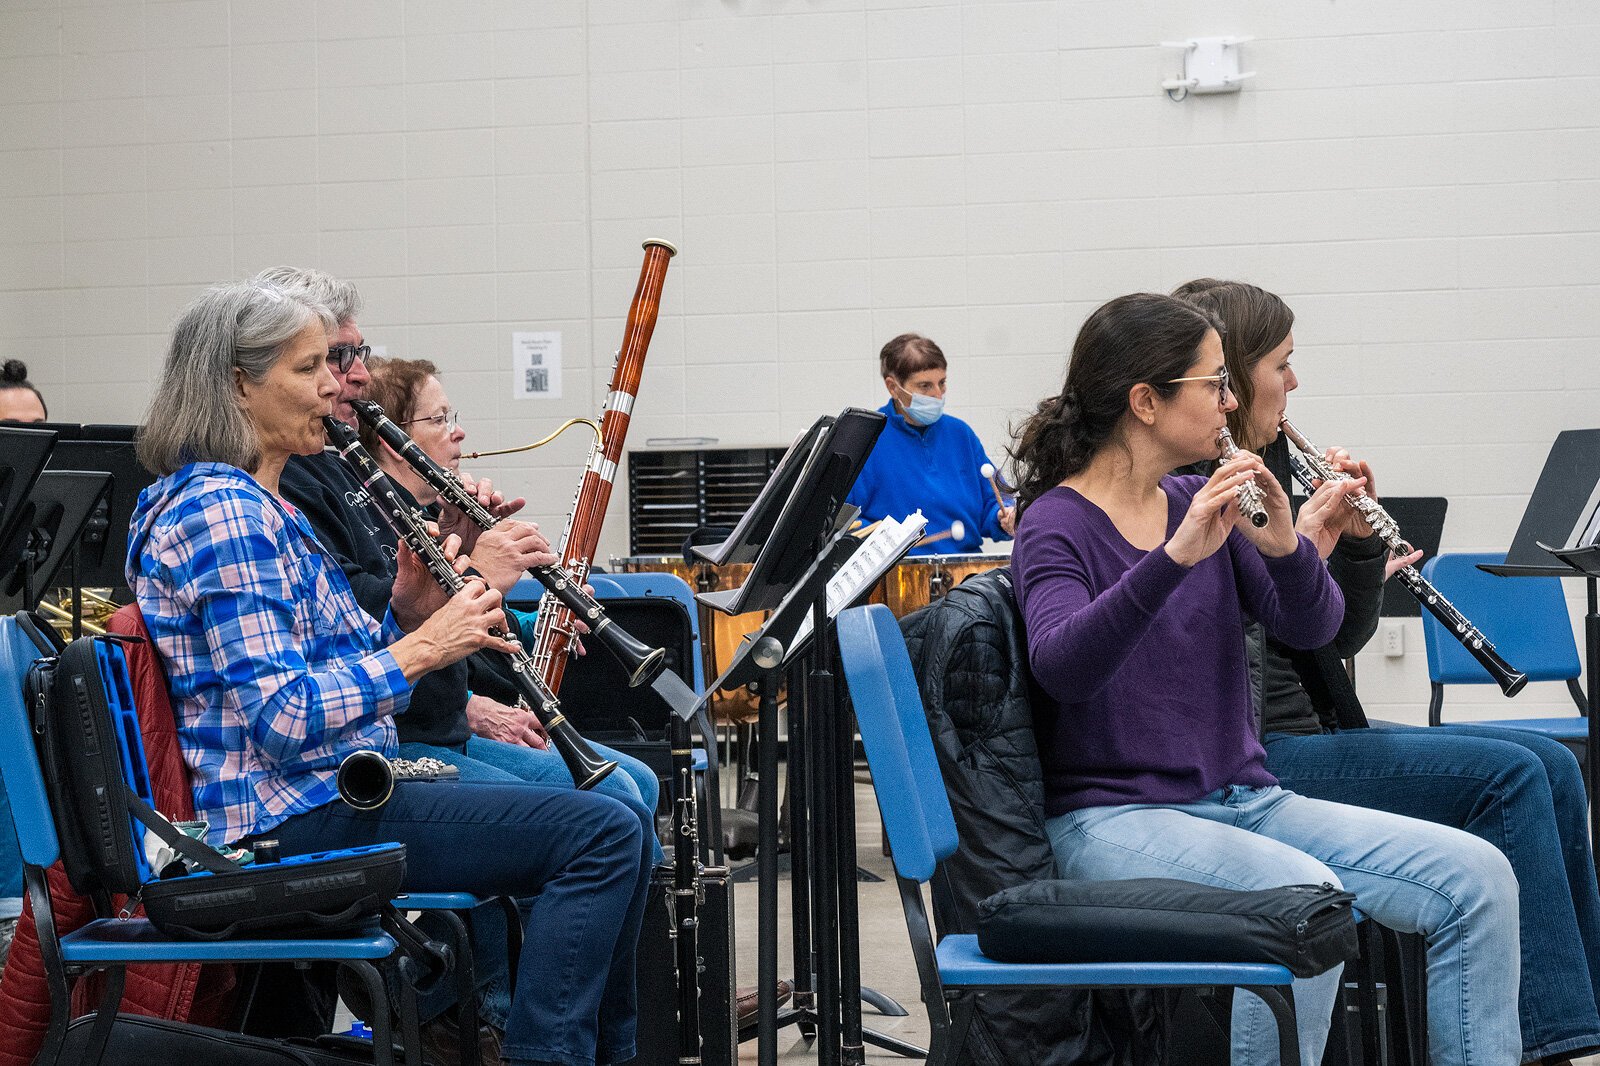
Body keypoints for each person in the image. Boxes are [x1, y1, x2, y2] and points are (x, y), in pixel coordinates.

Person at [127, 279, 651, 1066]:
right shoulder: (223, 510)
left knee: (613, 822)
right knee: (603, 832)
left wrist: (407, 608)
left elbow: (325, 665)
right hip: (283, 816)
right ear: (239, 382)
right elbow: (285, 716)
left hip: (326, 787)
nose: (337, 385)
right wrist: (426, 646)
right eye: (310, 370)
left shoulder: (265, 504)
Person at [1008, 292, 1520, 1066]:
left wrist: (1286, 543)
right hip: (1110, 820)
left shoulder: (1194, 493)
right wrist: (1173, 557)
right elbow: (1063, 667)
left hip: (1246, 801)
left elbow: (1308, 627)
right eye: (1214, 384)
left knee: (1478, 878)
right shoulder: (1058, 520)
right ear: (1145, 401)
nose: (1230, 402)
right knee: (1304, 907)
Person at [1177, 277, 1600, 1066]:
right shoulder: (1214, 489)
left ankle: (1571, 1021)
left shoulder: (1274, 467)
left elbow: (1335, 638)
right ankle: (1547, 1040)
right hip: (1262, 752)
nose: (1295, 383)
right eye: (1283, 364)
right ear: (1232, 378)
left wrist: (1359, 548)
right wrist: (1298, 544)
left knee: (1554, 765)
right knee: (1509, 776)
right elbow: (1227, 632)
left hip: (1317, 727)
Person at [357, 356, 661, 846]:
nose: (457, 433)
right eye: (438, 420)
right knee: (615, 797)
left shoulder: (432, 512)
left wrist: (534, 617)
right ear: (391, 438)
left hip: (448, 718)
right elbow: (413, 630)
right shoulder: (377, 516)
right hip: (417, 731)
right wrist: (483, 571)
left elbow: (469, 639)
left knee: (638, 783)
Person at [846, 333, 1014, 555]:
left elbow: (993, 503)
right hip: (897, 577)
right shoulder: (867, 440)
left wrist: (1004, 516)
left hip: (967, 574)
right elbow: (847, 524)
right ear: (893, 387)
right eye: (925, 386)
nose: (937, 395)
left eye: (942, 383)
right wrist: (887, 543)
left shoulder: (961, 434)